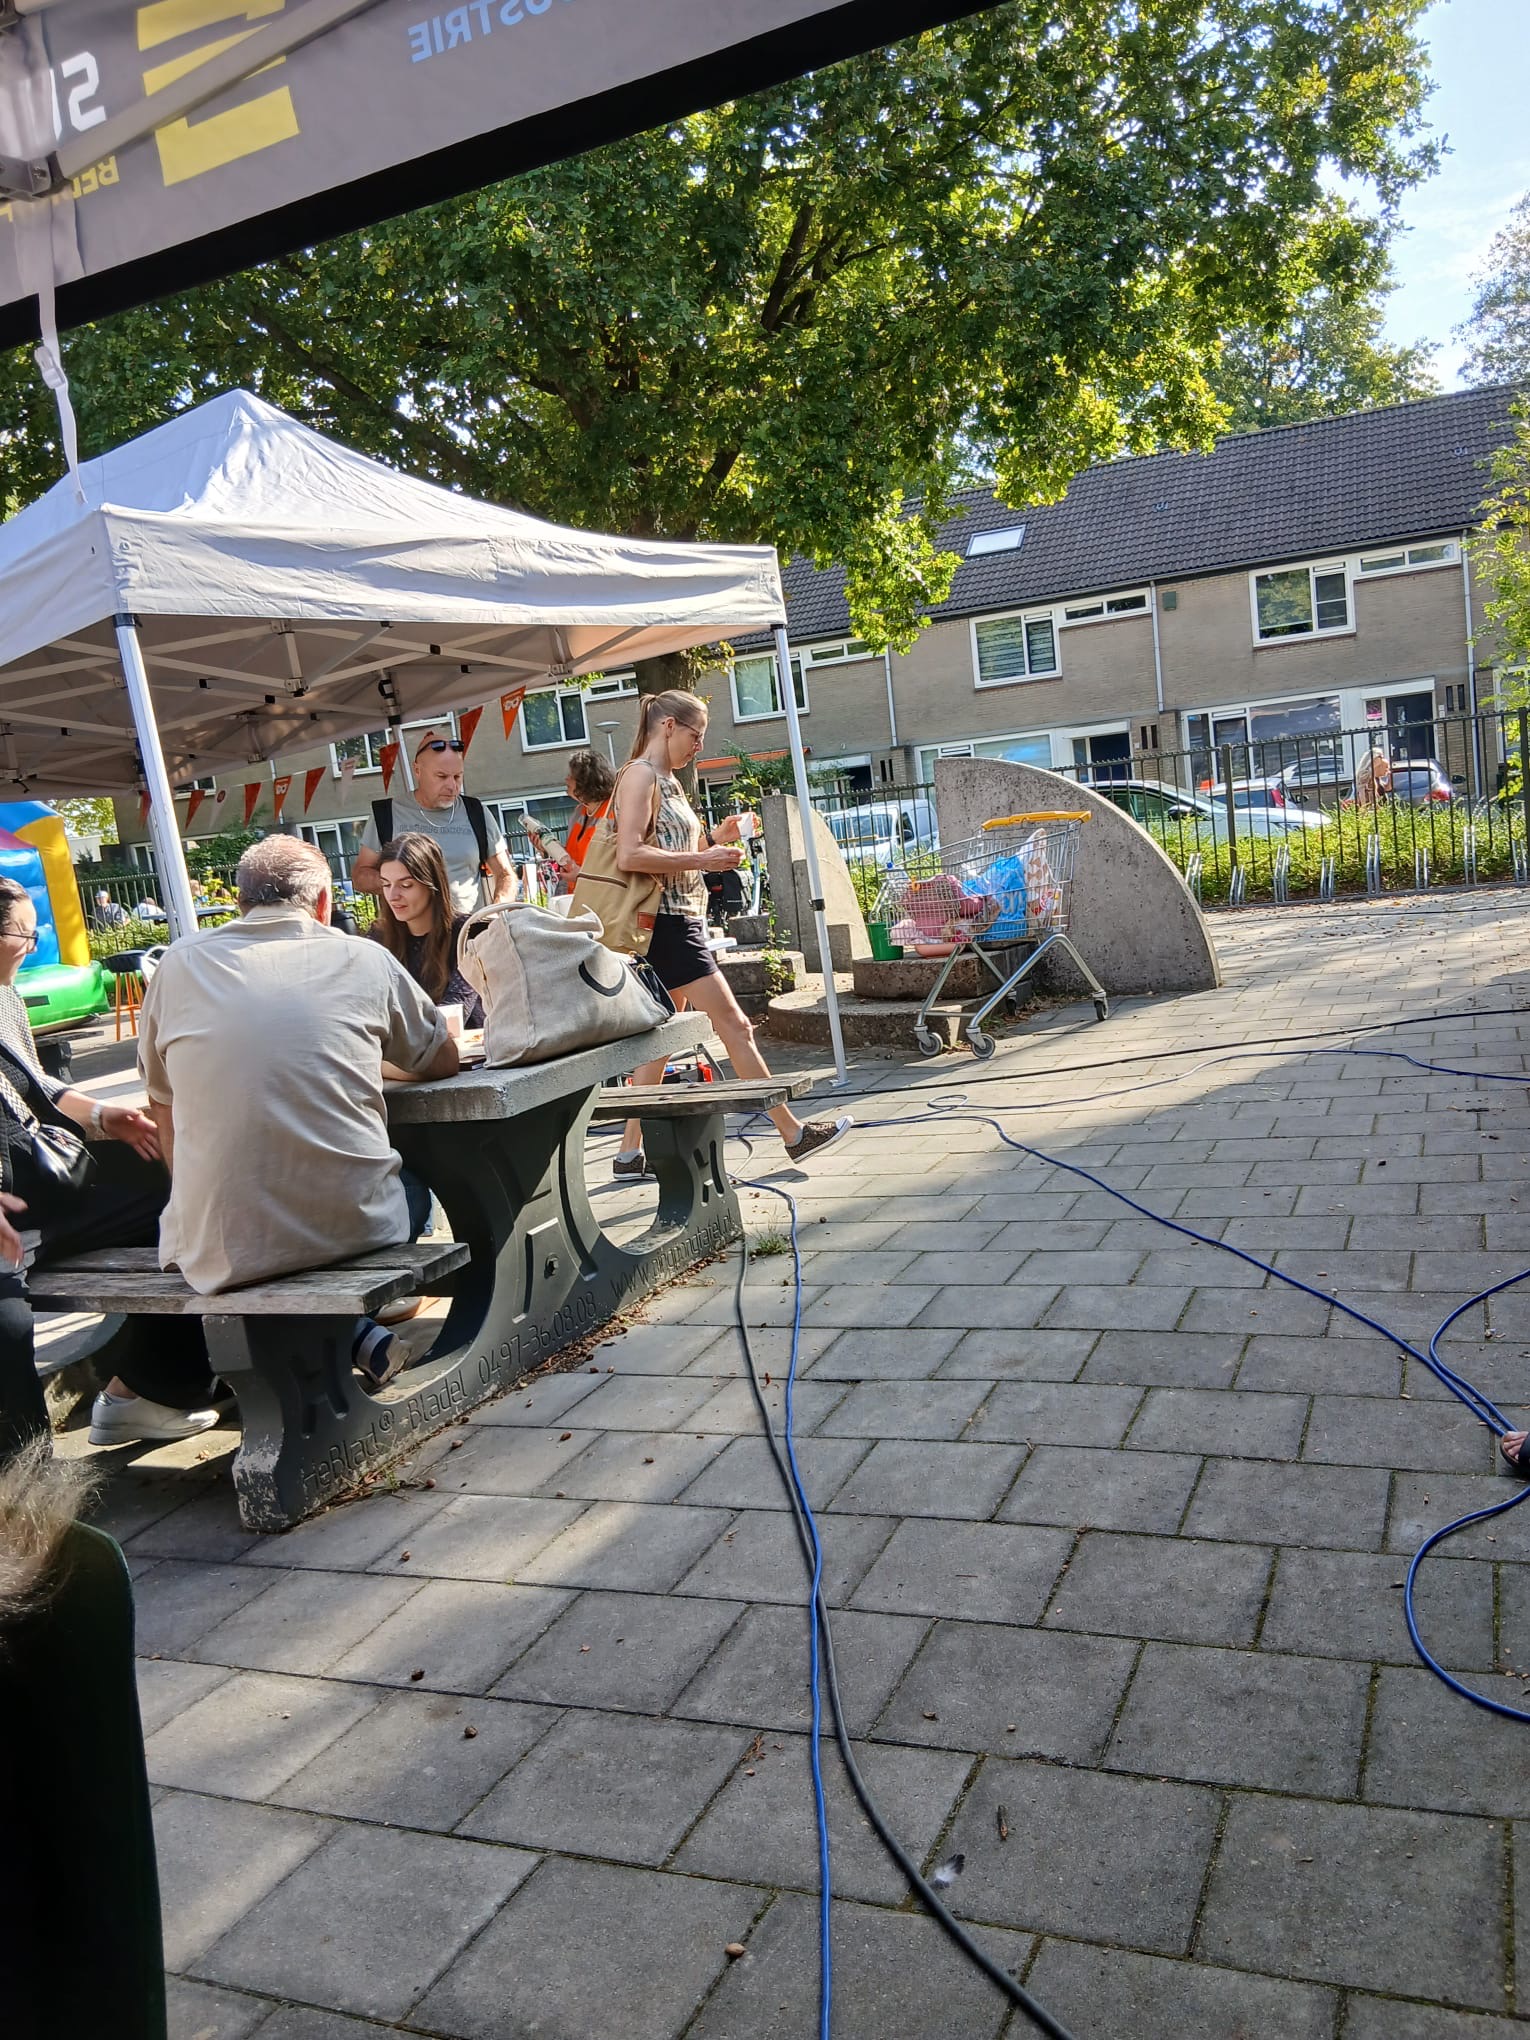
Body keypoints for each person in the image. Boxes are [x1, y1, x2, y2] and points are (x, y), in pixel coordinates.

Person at [136, 836, 459, 1390]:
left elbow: (161, 1101)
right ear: (323, 903)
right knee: (400, 1186)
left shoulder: (177, 964)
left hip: (220, 1243)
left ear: (239, 903)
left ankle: (343, 1341)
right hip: (359, 1227)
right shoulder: (362, 957)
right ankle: (350, 1337)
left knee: (231, 1228)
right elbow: (443, 1059)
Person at [0, 877, 221, 1454]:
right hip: (11, 1219)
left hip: (41, 1195)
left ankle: (151, 1388)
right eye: (25, 934)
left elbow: (37, 1086)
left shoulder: (5, 997)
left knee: (177, 1198)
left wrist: (103, 1116)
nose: (32, 946)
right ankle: (24, 1477)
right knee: (7, 1327)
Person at [609, 689, 850, 1175]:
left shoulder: (669, 781)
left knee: (662, 1039)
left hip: (680, 920)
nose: (700, 745)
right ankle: (793, 1134)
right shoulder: (639, 775)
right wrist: (704, 857)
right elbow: (629, 854)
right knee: (736, 1027)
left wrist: (719, 838)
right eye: (696, 734)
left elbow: (679, 846)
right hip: (667, 925)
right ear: (669, 726)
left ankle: (628, 1154)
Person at [352, 729, 516, 915]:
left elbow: (506, 874)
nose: (452, 786)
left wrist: (495, 912)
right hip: (409, 929)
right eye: (441, 776)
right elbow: (360, 876)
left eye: (457, 776)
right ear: (417, 771)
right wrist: (397, 884)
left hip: (469, 928)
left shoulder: (476, 811)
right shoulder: (386, 814)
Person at [371, 832, 484, 1029]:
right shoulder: (378, 938)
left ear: (432, 884)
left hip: (469, 1044)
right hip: (408, 1045)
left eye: (406, 885)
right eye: (386, 884)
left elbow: (455, 1010)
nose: (393, 895)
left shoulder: (467, 933)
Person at [525, 750, 616, 895]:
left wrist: (582, 876)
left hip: (603, 898)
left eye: (571, 776)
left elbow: (616, 864)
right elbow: (573, 857)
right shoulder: (579, 812)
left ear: (586, 781)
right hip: (576, 895)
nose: (566, 779)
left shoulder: (614, 813)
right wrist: (548, 848)